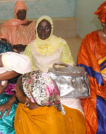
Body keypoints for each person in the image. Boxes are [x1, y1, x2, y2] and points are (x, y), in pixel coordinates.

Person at [24, 15, 86, 133]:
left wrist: (56, 75)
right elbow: (28, 69)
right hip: (40, 83)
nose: (43, 31)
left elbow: (70, 64)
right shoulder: (31, 46)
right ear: (36, 29)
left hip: (61, 82)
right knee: (45, 115)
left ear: (51, 28)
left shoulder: (61, 43)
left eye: (47, 28)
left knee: (73, 112)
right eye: (40, 28)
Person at [14, 71, 86, 134]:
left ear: (28, 98)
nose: (14, 89)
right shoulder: (30, 102)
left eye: (16, 89)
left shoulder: (51, 125)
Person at [77, 2, 106, 133]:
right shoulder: (90, 40)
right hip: (95, 87)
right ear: (103, 21)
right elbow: (84, 70)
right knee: (95, 113)